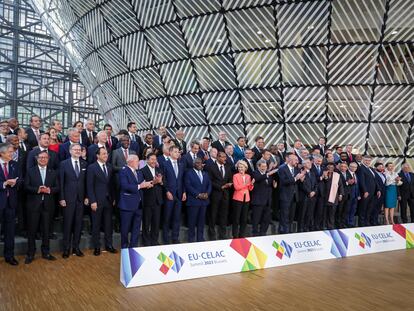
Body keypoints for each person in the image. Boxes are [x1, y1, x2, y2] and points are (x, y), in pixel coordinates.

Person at [24, 150, 59, 264]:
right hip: (33, 205)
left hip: (48, 205)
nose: (43, 159)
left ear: (48, 159)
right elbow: (26, 187)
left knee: (46, 230)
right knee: (32, 231)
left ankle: (46, 252)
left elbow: (57, 187)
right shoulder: (30, 171)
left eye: (45, 157)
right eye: (41, 157)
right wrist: (38, 189)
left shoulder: (53, 172)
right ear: (37, 158)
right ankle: (30, 253)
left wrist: (49, 190)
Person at [59, 143, 88, 258]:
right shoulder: (63, 164)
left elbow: (86, 183)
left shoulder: (84, 163)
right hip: (68, 199)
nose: (77, 151)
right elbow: (61, 182)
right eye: (75, 149)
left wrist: (87, 197)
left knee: (78, 225)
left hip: (81, 199)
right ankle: (66, 248)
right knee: (67, 224)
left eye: (79, 150)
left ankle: (76, 247)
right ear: (70, 151)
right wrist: (61, 198)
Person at [87, 147, 117, 256]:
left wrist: (113, 198)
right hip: (97, 201)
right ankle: (97, 247)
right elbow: (89, 186)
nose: (106, 155)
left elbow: (111, 185)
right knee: (96, 225)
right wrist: (92, 201)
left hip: (108, 201)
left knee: (108, 225)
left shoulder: (109, 167)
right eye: (103, 154)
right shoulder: (92, 167)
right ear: (97, 155)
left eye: (107, 154)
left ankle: (109, 245)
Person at [118, 155, 153, 248]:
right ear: (130, 162)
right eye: (137, 161)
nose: (139, 163)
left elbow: (142, 184)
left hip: (139, 205)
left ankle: (133, 246)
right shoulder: (123, 171)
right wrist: (140, 186)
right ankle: (125, 248)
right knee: (125, 228)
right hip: (127, 205)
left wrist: (150, 184)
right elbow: (125, 186)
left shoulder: (138, 172)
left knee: (136, 228)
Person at [0, 143, 21, 265]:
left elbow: (21, 179)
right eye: (9, 152)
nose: (12, 154)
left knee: (10, 231)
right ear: (2, 153)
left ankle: (9, 256)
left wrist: (15, 183)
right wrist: (4, 184)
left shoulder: (15, 164)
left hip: (11, 203)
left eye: (12, 152)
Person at [162, 146, 186, 244]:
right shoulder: (165, 164)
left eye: (178, 152)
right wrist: (167, 191)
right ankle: (166, 238)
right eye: (175, 152)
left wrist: (184, 191)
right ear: (170, 152)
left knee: (177, 217)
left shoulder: (181, 164)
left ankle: (175, 238)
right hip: (169, 194)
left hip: (179, 194)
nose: (177, 153)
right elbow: (163, 179)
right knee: (167, 217)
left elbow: (183, 179)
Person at [206, 151, 233, 240]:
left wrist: (230, 184)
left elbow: (230, 179)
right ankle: (212, 234)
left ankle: (223, 234)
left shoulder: (228, 167)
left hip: (225, 195)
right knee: (213, 214)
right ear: (217, 157)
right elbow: (209, 181)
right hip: (215, 194)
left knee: (224, 215)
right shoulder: (211, 167)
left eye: (225, 157)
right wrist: (220, 187)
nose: (224, 158)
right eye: (222, 157)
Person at [184, 158, 212, 242]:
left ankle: (200, 238)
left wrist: (207, 193)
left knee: (201, 221)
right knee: (192, 222)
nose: (199, 164)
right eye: (197, 163)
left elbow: (209, 185)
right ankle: (191, 239)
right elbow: (188, 186)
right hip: (193, 201)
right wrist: (198, 195)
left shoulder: (205, 173)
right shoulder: (188, 173)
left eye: (201, 163)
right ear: (194, 164)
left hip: (204, 202)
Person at [141, 153, 164, 246]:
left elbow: (163, 184)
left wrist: (161, 182)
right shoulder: (142, 170)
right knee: (146, 223)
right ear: (147, 160)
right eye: (152, 159)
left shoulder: (159, 170)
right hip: (147, 200)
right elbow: (142, 185)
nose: (154, 161)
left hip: (158, 201)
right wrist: (153, 182)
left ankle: (154, 241)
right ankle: (146, 242)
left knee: (156, 223)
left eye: (155, 159)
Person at [250, 159, 276, 236]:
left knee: (266, 219)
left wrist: (274, 185)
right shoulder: (255, 173)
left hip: (267, 201)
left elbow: (269, 185)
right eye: (262, 166)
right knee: (256, 219)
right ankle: (255, 233)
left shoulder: (268, 175)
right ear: (258, 166)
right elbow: (258, 178)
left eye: (265, 166)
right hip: (258, 201)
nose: (264, 168)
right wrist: (267, 174)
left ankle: (263, 233)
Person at [232, 160, 254, 238]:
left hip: (246, 199)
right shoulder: (235, 176)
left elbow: (250, 189)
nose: (240, 168)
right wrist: (246, 184)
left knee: (244, 219)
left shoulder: (248, 176)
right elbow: (236, 187)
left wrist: (251, 184)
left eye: (242, 167)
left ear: (245, 168)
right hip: (237, 199)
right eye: (239, 167)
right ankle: (235, 235)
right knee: (236, 218)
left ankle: (242, 235)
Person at [357, 155, 380, 227]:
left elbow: (375, 180)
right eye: (366, 160)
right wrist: (365, 191)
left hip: (373, 192)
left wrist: (378, 189)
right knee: (363, 208)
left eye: (369, 160)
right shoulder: (361, 168)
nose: (368, 162)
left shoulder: (371, 169)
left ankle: (367, 222)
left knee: (369, 208)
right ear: (363, 160)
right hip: (366, 192)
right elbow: (361, 181)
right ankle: (362, 223)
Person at [323, 163, 344, 230]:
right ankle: (323, 225)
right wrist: (325, 176)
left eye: (332, 167)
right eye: (329, 167)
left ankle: (330, 226)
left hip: (334, 196)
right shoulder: (323, 173)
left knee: (332, 213)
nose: (330, 168)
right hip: (324, 196)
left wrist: (341, 194)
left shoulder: (337, 175)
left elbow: (340, 185)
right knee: (324, 213)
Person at [298, 159, 318, 232]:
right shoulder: (301, 172)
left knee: (309, 213)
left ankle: (307, 227)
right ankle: (300, 228)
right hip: (304, 196)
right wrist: (309, 192)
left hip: (312, 196)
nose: (310, 164)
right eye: (308, 163)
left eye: (310, 163)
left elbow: (316, 184)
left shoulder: (312, 173)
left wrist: (314, 192)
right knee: (302, 213)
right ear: (304, 164)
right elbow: (301, 185)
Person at [347, 162, 360, 227]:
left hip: (355, 195)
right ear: (349, 166)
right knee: (347, 209)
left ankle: (351, 222)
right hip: (348, 195)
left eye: (355, 167)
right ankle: (347, 223)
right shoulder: (346, 173)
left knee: (353, 209)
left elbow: (358, 185)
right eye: (352, 166)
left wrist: (358, 195)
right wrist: (348, 182)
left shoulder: (356, 174)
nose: (354, 168)